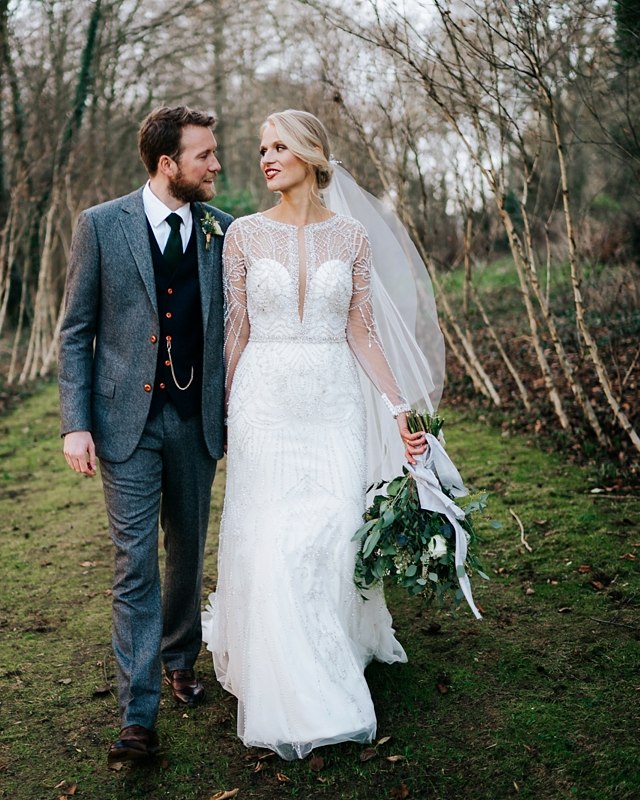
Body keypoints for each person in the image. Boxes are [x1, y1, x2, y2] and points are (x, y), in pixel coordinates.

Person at [202, 109, 443, 760]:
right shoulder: (244, 236)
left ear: (312, 153)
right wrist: (221, 416)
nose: (265, 157)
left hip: (334, 399)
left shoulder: (352, 237)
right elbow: (236, 331)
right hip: (263, 400)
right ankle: (286, 677)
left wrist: (397, 407)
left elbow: (361, 332)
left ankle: (328, 648)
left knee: (333, 528)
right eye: (260, 148)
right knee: (274, 532)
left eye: (278, 146)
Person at [57, 106, 234, 763]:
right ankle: (137, 718)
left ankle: (180, 658)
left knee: (186, 550)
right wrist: (75, 423)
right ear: (169, 165)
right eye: (205, 156)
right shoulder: (101, 226)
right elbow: (75, 329)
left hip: (196, 421)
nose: (216, 165)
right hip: (123, 424)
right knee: (136, 564)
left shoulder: (223, 232)